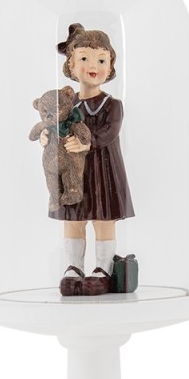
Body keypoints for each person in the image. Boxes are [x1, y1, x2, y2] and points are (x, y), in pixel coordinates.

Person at [40, 23, 134, 295]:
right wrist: (46, 136)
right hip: (73, 173)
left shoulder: (112, 105)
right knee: (74, 218)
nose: (93, 66)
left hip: (103, 170)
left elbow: (109, 132)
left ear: (110, 66)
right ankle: (74, 267)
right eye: (84, 58)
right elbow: (55, 126)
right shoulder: (67, 107)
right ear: (70, 64)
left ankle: (103, 268)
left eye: (101, 60)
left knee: (103, 219)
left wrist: (86, 142)